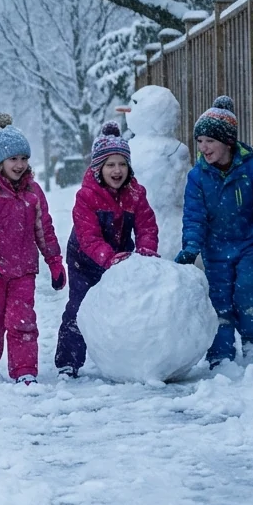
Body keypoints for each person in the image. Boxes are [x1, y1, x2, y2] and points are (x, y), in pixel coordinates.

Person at [175, 96, 253, 367]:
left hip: (249, 244)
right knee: (219, 298)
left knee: (249, 290)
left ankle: (251, 339)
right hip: (215, 247)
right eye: (199, 141)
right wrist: (191, 246)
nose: (203, 148)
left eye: (209, 141)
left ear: (227, 142)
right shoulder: (197, 177)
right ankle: (220, 351)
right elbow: (194, 216)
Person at [0, 113, 64, 385]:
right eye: (13, 159)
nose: (20, 165)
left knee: (23, 320)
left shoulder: (33, 192)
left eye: (24, 159)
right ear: (0, 162)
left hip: (23, 270)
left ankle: (24, 371)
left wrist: (54, 260)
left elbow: (44, 228)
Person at [55, 122, 160, 378]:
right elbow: (88, 236)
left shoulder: (135, 193)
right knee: (79, 308)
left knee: (126, 307)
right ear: (98, 167)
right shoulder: (87, 196)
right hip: (84, 260)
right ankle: (68, 361)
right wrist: (107, 257)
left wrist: (146, 251)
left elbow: (147, 225)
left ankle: (125, 358)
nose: (117, 170)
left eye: (122, 164)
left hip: (121, 259)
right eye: (110, 164)